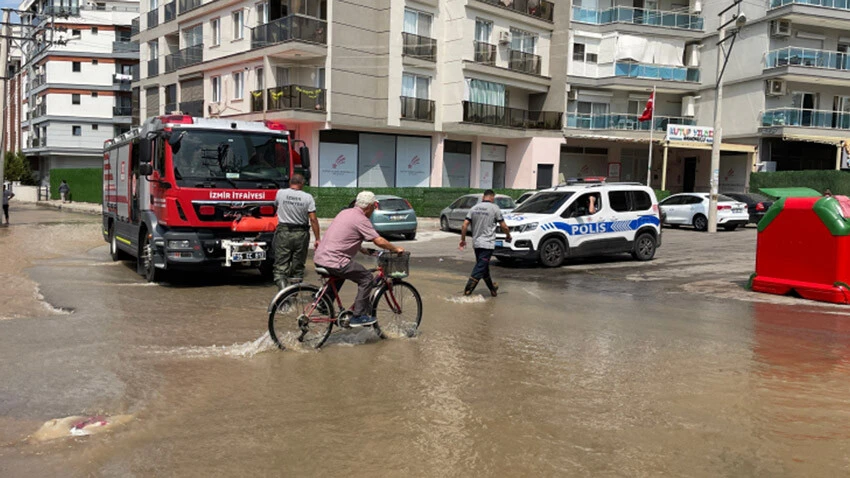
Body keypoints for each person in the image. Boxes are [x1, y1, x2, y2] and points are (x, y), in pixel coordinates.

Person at [313, 191, 404, 327]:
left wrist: (363, 250)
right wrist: (395, 249)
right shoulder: (361, 219)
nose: (373, 211)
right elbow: (378, 240)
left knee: (340, 275)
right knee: (367, 278)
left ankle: (323, 303)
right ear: (368, 207)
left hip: (320, 257)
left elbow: (344, 236)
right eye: (374, 207)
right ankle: (359, 316)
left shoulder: (345, 213)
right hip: (335, 260)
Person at [459, 189, 512, 297]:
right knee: (479, 268)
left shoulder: (474, 208)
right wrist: (508, 235)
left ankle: (493, 289)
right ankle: (467, 291)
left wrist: (463, 240)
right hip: (487, 244)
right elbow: (504, 226)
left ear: (483, 197)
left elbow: (464, 225)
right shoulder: (495, 208)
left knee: (483, 267)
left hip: (477, 243)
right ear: (492, 197)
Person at [273, 174, 320, 289]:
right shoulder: (308, 197)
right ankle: (293, 296)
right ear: (302, 184)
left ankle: (283, 298)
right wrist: (318, 239)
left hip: (284, 233)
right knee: (298, 268)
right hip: (301, 235)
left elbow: (276, 207)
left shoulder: (280, 193)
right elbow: (313, 219)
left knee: (280, 268)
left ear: (290, 182)